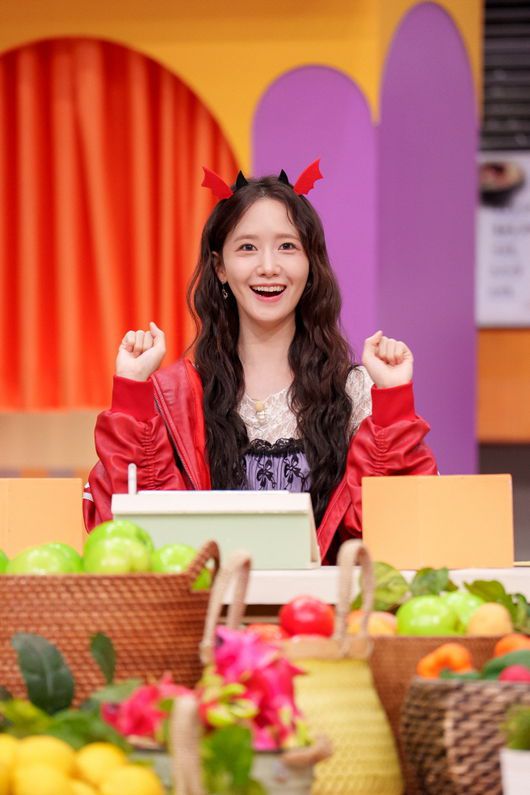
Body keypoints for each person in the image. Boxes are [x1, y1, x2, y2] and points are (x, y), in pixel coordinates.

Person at [83, 161, 437, 563]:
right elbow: (132, 532)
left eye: (287, 246)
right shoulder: (177, 396)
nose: (269, 267)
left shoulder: (354, 391)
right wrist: (132, 395)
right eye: (247, 248)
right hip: (210, 600)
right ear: (220, 267)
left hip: (322, 602)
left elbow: (398, 527)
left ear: (310, 264)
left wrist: (393, 402)